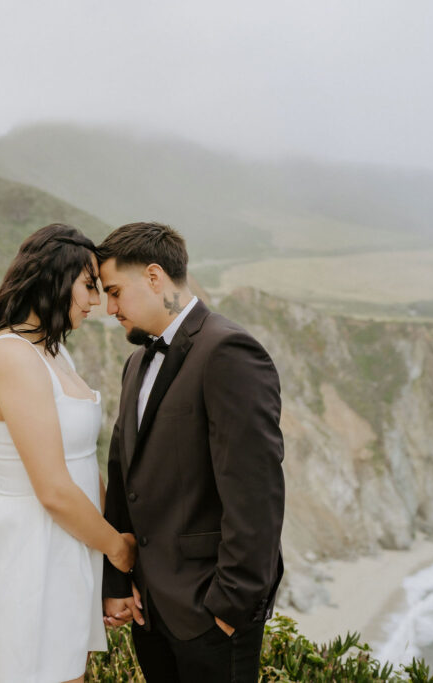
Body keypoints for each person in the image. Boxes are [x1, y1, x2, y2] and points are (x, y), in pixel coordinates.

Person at [97, 222, 285, 683]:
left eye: (116, 291)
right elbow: (124, 475)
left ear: (155, 277)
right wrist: (119, 582)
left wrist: (228, 607)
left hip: (211, 615)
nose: (109, 308)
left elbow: (255, 490)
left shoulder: (229, 351)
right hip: (153, 614)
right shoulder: (137, 361)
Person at [0, 223, 137, 683]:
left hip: (70, 546)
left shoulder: (54, 353)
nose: (95, 302)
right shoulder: (11, 356)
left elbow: (81, 462)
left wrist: (109, 566)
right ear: (53, 278)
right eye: (88, 286)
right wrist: (119, 552)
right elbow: (53, 489)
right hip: (34, 551)